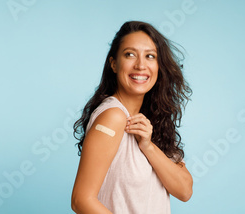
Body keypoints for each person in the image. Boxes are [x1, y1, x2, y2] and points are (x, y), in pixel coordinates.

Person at [71, 21, 193, 213]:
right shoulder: (113, 117)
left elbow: (185, 191)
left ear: (159, 66)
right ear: (114, 64)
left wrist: (148, 146)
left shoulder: (153, 120)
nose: (140, 65)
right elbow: (81, 200)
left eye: (150, 56)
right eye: (130, 54)